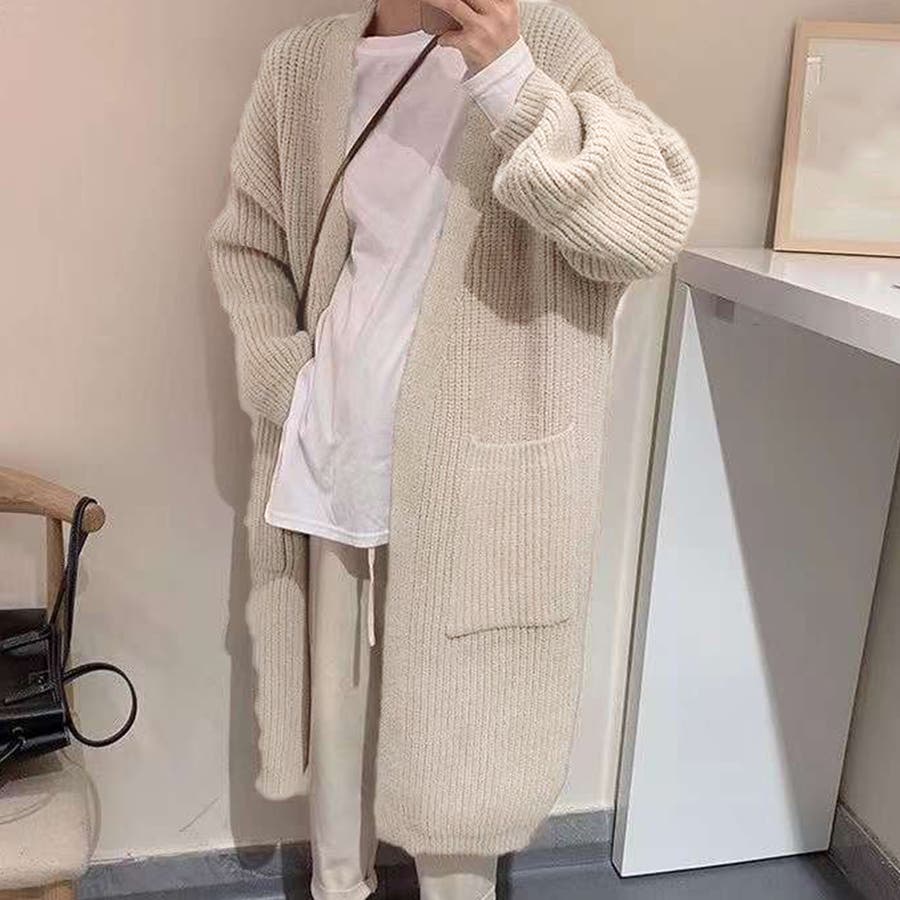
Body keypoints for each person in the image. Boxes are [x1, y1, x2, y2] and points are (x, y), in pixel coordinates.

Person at [208, 0, 698, 897]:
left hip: (478, 471)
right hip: (334, 446)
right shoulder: (303, 66)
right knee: (335, 715)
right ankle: (337, 886)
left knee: (463, 729)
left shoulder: (542, 44)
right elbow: (251, 246)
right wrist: (288, 383)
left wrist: (512, 80)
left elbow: (652, 224)